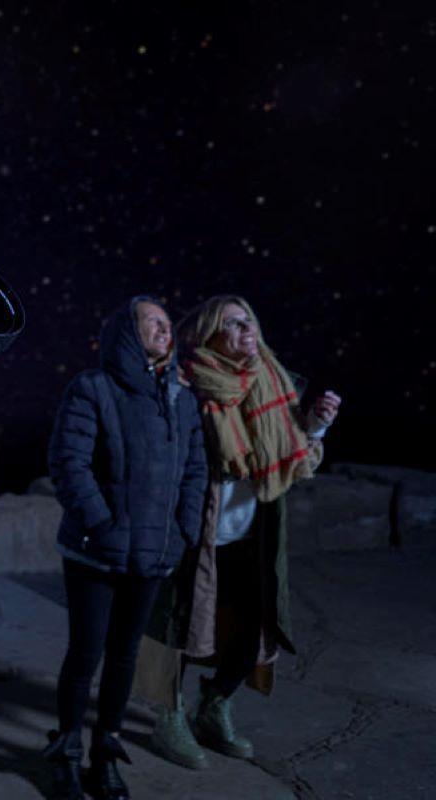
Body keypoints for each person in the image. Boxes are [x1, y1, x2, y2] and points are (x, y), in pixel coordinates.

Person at [143, 295, 341, 769]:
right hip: (196, 529)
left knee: (254, 626)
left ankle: (214, 705)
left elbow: (291, 453)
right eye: (232, 324)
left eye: (249, 320)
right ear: (211, 334)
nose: (246, 330)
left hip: (253, 530)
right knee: (180, 624)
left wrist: (314, 426)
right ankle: (167, 715)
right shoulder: (185, 384)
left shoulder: (273, 382)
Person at [43, 296, 208, 800]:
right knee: (86, 652)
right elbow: (68, 463)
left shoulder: (181, 398)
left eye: (166, 324)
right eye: (153, 323)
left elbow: (195, 471)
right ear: (128, 334)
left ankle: (105, 753)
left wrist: (182, 531)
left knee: (124, 656)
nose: (165, 329)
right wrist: (104, 524)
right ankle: (67, 751)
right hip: (96, 552)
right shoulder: (93, 388)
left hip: (154, 555)